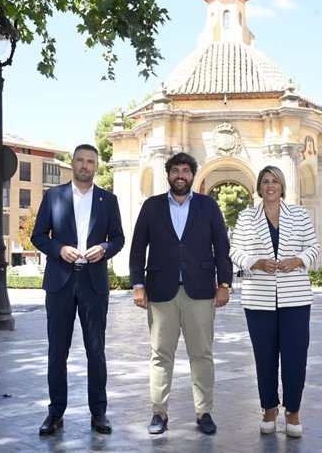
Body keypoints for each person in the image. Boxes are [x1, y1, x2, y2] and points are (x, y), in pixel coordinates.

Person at [129, 152, 233, 435]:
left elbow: (221, 248)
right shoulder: (151, 207)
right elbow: (138, 248)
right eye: (176, 170)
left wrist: (224, 284)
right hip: (160, 292)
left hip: (200, 291)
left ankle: (204, 412)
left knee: (201, 353)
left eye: (186, 170)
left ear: (193, 175)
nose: (181, 175)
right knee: (161, 355)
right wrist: (137, 284)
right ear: (168, 175)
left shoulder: (209, 206)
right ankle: (159, 413)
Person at [31, 144, 125, 436]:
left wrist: (105, 248)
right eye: (81, 161)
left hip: (93, 283)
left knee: (96, 351)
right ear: (72, 163)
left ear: (97, 167)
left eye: (91, 162)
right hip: (60, 282)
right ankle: (55, 412)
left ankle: (99, 413)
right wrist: (60, 249)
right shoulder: (53, 196)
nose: (85, 166)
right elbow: (38, 236)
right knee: (57, 351)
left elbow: (119, 238)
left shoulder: (108, 200)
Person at [229, 165, 319, 438]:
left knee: (295, 357)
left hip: (296, 298)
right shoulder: (246, 217)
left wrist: (299, 260)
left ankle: (293, 411)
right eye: (265, 181)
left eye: (275, 181)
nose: (270, 186)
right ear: (259, 187)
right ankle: (269, 409)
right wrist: (254, 262)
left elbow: (314, 247)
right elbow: (234, 250)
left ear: (282, 186)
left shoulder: (300, 215)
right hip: (259, 299)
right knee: (265, 357)